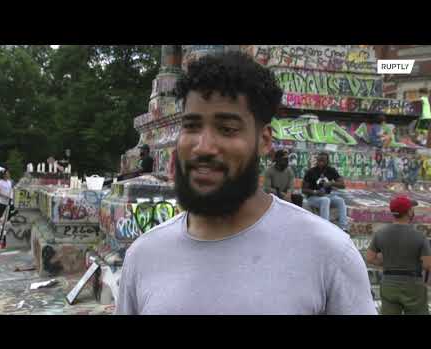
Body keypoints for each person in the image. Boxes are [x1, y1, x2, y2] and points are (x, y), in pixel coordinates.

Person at [115, 51, 375, 315]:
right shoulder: (144, 257)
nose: (203, 147)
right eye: (191, 126)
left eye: (227, 129)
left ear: (264, 140)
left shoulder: (328, 254)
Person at [367, 195, 431, 315]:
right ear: (409, 212)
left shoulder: (380, 233)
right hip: (413, 285)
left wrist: (388, 262)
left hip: (389, 283)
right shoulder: (419, 236)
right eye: (412, 208)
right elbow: (427, 265)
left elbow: (370, 258)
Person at [302, 152, 348, 232]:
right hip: (313, 197)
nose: (320, 162)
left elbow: (342, 185)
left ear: (327, 161)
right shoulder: (311, 172)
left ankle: (343, 227)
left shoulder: (331, 170)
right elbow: (304, 190)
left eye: (323, 160)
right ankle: (325, 227)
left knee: (340, 201)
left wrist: (331, 183)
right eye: (319, 160)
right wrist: (315, 192)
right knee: (325, 200)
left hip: (328, 195)